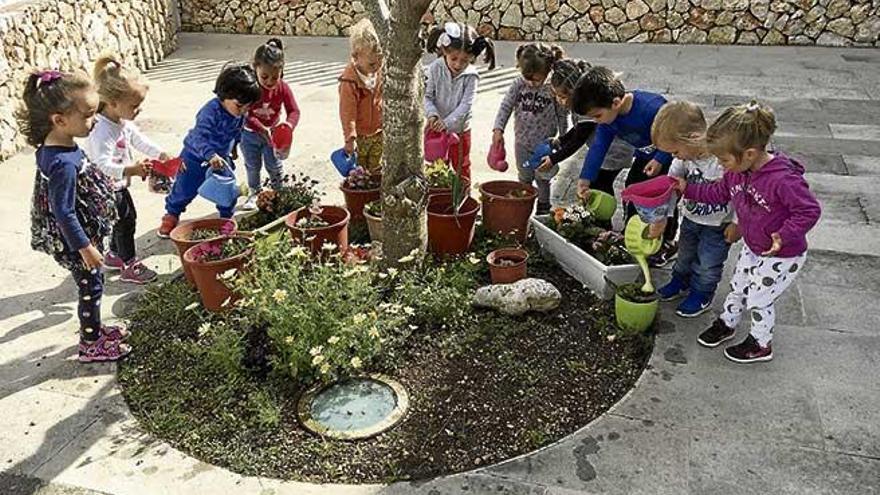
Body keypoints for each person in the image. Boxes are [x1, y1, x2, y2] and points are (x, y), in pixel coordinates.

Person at [675, 100, 821, 363]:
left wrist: (785, 234)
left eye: (724, 159)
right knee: (738, 285)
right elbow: (718, 192)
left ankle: (760, 343)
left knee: (759, 297)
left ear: (750, 153)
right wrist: (687, 188)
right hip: (754, 246)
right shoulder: (737, 172)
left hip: (782, 254)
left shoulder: (783, 180)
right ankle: (727, 323)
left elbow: (810, 210)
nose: (721, 164)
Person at [19, 69, 131, 362]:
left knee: (94, 283)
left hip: (82, 236)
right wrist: (85, 247)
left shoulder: (59, 145)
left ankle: (96, 328)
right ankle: (90, 343)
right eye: (88, 115)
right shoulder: (61, 163)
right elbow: (64, 211)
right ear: (59, 120)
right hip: (77, 242)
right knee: (90, 286)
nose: (94, 122)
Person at [570, 66, 678, 264]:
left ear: (616, 102)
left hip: (670, 156)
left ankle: (667, 241)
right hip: (646, 158)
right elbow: (598, 148)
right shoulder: (609, 120)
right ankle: (634, 231)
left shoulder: (651, 107)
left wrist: (661, 158)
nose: (596, 121)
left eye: (597, 115)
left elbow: (675, 131)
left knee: (664, 199)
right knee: (633, 188)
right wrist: (585, 178)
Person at [652, 101, 739, 317]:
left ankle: (702, 293)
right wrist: (664, 216)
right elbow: (671, 187)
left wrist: (739, 223)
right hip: (690, 219)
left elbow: (742, 193)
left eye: (675, 151)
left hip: (719, 224)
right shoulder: (684, 160)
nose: (674, 156)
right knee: (685, 254)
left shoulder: (722, 160)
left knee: (708, 263)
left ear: (693, 138)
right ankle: (680, 281)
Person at [157, 63, 261, 237]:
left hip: (220, 158)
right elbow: (199, 137)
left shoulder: (240, 114)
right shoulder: (210, 111)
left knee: (226, 189)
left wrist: (234, 147)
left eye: (247, 107)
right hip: (194, 157)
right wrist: (210, 154)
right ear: (224, 95)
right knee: (184, 189)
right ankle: (172, 214)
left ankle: (226, 218)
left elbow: (237, 131)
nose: (243, 111)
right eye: (239, 105)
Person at [87, 54, 164, 284]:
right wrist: (132, 169)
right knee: (126, 222)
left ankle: (113, 255)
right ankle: (129, 264)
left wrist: (161, 154)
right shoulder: (102, 130)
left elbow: (139, 140)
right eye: (134, 105)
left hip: (118, 185)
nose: (138, 109)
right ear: (112, 102)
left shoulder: (121, 122)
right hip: (107, 188)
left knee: (119, 222)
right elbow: (102, 165)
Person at [492, 42, 570, 215]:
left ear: (548, 71)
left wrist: (564, 139)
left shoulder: (553, 89)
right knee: (524, 177)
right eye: (527, 77)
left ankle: (543, 209)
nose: (531, 83)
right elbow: (506, 106)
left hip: (545, 145)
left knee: (543, 179)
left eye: (536, 79)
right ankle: (522, 207)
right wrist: (498, 129)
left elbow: (562, 115)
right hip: (522, 143)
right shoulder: (519, 84)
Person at [540, 58, 632, 197]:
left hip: (612, 152)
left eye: (563, 96)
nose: (559, 101)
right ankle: (601, 214)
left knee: (598, 187)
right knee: (600, 185)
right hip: (605, 150)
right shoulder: (583, 104)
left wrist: (554, 159)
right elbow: (579, 128)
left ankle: (602, 215)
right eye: (557, 96)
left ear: (574, 92)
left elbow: (579, 138)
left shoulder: (587, 105)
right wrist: (562, 140)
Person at [424, 21, 496, 180]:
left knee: (461, 166)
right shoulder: (435, 68)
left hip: (461, 130)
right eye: (454, 58)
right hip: (436, 129)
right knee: (436, 168)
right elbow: (427, 96)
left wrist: (447, 123)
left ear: (472, 58)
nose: (458, 64)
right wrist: (433, 115)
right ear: (444, 51)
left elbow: (466, 105)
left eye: (465, 60)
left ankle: (461, 199)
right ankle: (439, 199)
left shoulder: (471, 76)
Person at [240, 38, 301, 210]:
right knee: (253, 166)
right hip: (249, 135)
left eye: (275, 77)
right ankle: (255, 191)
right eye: (264, 77)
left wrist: (288, 126)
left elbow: (294, 111)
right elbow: (245, 113)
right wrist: (261, 128)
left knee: (274, 165)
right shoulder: (250, 88)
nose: (269, 81)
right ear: (255, 69)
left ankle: (279, 192)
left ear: (281, 72)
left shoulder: (283, 88)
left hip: (273, 136)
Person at [338, 19, 384, 175]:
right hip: (360, 137)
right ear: (355, 57)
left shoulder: (378, 73)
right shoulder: (349, 82)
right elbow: (347, 112)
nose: (377, 67)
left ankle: (376, 196)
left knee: (377, 170)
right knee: (360, 172)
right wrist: (349, 138)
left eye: (380, 62)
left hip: (378, 133)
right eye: (372, 64)